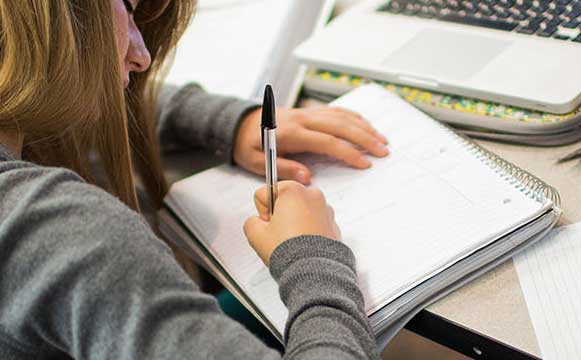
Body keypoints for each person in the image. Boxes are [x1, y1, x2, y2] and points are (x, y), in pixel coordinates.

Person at [0, 0, 386, 359]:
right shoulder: (70, 235)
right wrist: (313, 259)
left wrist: (229, 123)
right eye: (129, 9)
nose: (141, 56)